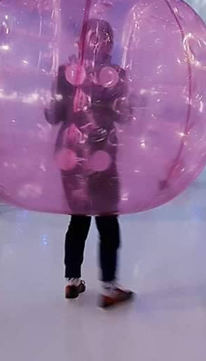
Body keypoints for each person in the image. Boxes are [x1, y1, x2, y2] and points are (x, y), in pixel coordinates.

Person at [47, 18, 133, 308]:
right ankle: (108, 287)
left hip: (70, 156)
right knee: (107, 219)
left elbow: (53, 115)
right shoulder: (117, 75)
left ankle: (72, 280)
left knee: (78, 217)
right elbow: (125, 116)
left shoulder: (64, 72)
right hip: (102, 155)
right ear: (110, 44)